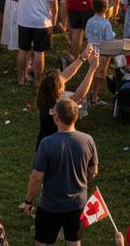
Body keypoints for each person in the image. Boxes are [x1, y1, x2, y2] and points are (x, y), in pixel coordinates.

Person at [23, 97, 97, 246]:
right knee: (74, 242)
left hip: (50, 205)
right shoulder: (88, 140)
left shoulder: (47, 143)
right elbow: (93, 171)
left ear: (57, 118)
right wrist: (80, 182)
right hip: (77, 205)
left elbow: (36, 177)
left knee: (43, 242)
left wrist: (28, 201)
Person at [9, 0, 59, 88]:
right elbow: (54, 4)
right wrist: (54, 20)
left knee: (23, 50)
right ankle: (37, 81)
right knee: (39, 52)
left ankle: (20, 79)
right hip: (42, 22)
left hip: (24, 19)